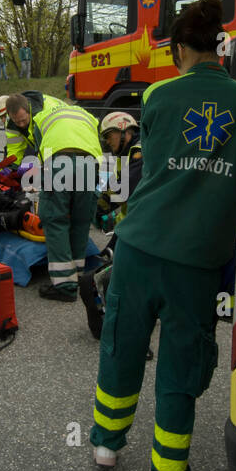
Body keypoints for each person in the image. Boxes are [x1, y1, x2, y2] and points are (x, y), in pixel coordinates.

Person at [88, 0, 236, 471]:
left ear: (181, 49)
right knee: (180, 366)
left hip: (139, 244)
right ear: (220, 47)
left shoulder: (159, 96)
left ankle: (106, 441)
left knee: (122, 341)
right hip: (195, 258)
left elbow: (154, 163)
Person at [4, 92, 101, 301]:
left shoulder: (40, 118)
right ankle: (79, 274)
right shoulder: (84, 114)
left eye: (22, 119)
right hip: (90, 164)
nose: (20, 123)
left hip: (60, 161)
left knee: (54, 219)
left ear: (28, 109)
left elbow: (40, 152)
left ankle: (65, 285)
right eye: (16, 121)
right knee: (81, 220)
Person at [79, 111, 143, 338]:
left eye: (110, 135)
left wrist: (98, 207)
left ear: (125, 130)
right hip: (135, 224)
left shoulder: (140, 152)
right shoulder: (126, 155)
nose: (107, 141)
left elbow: (123, 188)